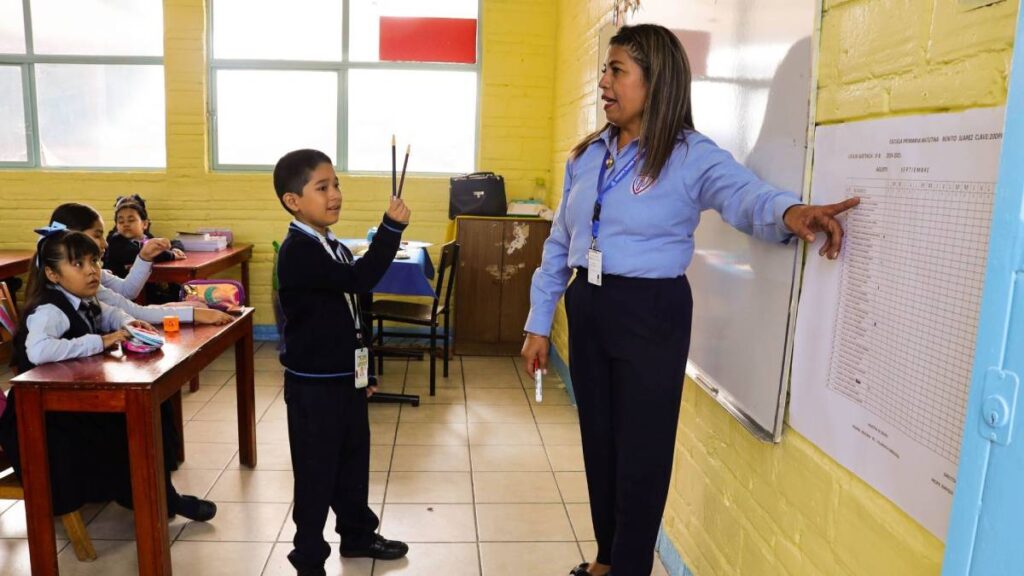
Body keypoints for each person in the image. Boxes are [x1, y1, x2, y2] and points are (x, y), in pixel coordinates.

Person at [519, 24, 859, 576]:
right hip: (590, 307)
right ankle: (607, 559)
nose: (603, 82)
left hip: (651, 313)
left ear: (657, 83)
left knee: (642, 456)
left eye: (617, 71)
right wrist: (539, 323)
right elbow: (560, 242)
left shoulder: (688, 155)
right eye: (604, 69)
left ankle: (630, 568)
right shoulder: (587, 156)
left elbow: (745, 195)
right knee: (599, 443)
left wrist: (792, 213)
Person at [0, 228, 216, 521]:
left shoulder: (83, 299)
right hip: (42, 420)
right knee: (130, 419)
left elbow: (113, 314)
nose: (92, 271)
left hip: (70, 405)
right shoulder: (49, 310)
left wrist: (130, 324)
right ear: (52, 275)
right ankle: (151, 497)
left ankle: (154, 493)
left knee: (155, 406)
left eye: (95, 262)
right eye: (78, 264)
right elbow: (39, 351)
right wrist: (101, 341)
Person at [273, 149, 412, 576]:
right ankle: (309, 557)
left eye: (336, 185)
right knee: (316, 475)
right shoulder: (299, 251)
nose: (335, 195)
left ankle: (356, 535)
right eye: (322, 187)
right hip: (314, 387)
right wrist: (390, 230)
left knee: (352, 463)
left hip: (342, 379)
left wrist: (363, 369)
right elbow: (359, 280)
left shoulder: (329, 244)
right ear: (292, 201)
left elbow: (351, 311)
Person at [48, 203, 233, 327]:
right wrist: (192, 314)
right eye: (97, 235)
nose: (105, 244)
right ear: (72, 236)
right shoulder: (76, 279)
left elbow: (127, 293)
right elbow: (133, 311)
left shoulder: (91, 272)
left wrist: (144, 257)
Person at [103, 195, 186, 304]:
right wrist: (171, 255)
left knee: (178, 288)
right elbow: (147, 252)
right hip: (122, 296)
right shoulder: (116, 241)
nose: (126, 224)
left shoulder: (146, 238)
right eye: (121, 222)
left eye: (131, 220)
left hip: (148, 289)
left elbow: (175, 242)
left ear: (145, 224)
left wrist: (175, 248)